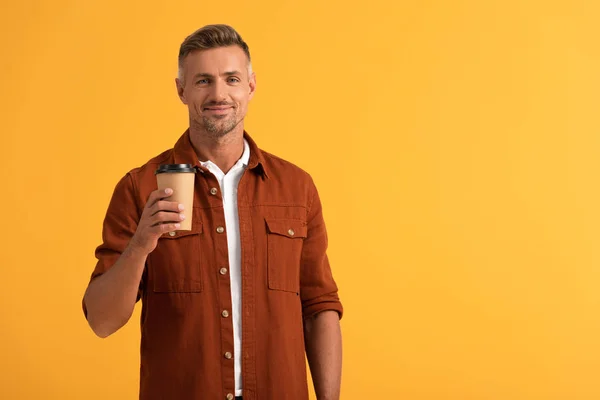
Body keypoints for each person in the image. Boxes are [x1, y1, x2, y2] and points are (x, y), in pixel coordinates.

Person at [82, 24, 343, 400]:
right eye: (203, 81)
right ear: (181, 90)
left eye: (231, 79)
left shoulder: (296, 188)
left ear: (250, 86)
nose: (218, 94)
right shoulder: (139, 187)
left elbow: (320, 309)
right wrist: (141, 244)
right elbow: (102, 321)